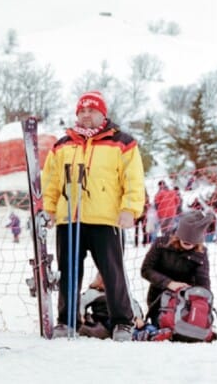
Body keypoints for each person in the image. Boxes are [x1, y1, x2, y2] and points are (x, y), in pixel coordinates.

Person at [41, 91, 145, 341]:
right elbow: (52, 180)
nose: (87, 115)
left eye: (92, 110)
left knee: (112, 272)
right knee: (68, 271)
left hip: (105, 218)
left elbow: (133, 178)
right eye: (82, 111)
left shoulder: (122, 143)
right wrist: (49, 208)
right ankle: (67, 321)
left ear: (103, 114)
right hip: (70, 217)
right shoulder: (64, 144)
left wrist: (129, 208)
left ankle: (122, 321)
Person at [140, 210, 211, 331]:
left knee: (191, 331)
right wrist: (169, 284)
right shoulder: (161, 243)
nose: (188, 243)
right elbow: (146, 270)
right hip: (159, 301)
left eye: (191, 242)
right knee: (166, 329)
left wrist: (205, 313)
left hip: (187, 304)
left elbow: (204, 285)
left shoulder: (201, 254)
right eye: (185, 241)